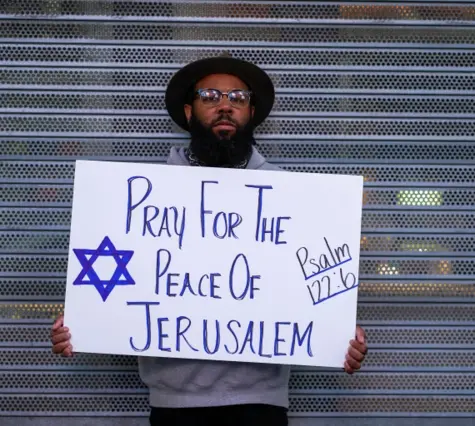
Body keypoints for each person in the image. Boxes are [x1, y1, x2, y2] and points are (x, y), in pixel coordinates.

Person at [50, 53, 368, 426]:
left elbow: (320, 280)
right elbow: (116, 278)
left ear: (251, 113)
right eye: (210, 96)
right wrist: (83, 322)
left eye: (238, 99)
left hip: (260, 405)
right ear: (189, 111)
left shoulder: (293, 196)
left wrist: (340, 336)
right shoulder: (140, 200)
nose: (224, 106)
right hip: (174, 406)